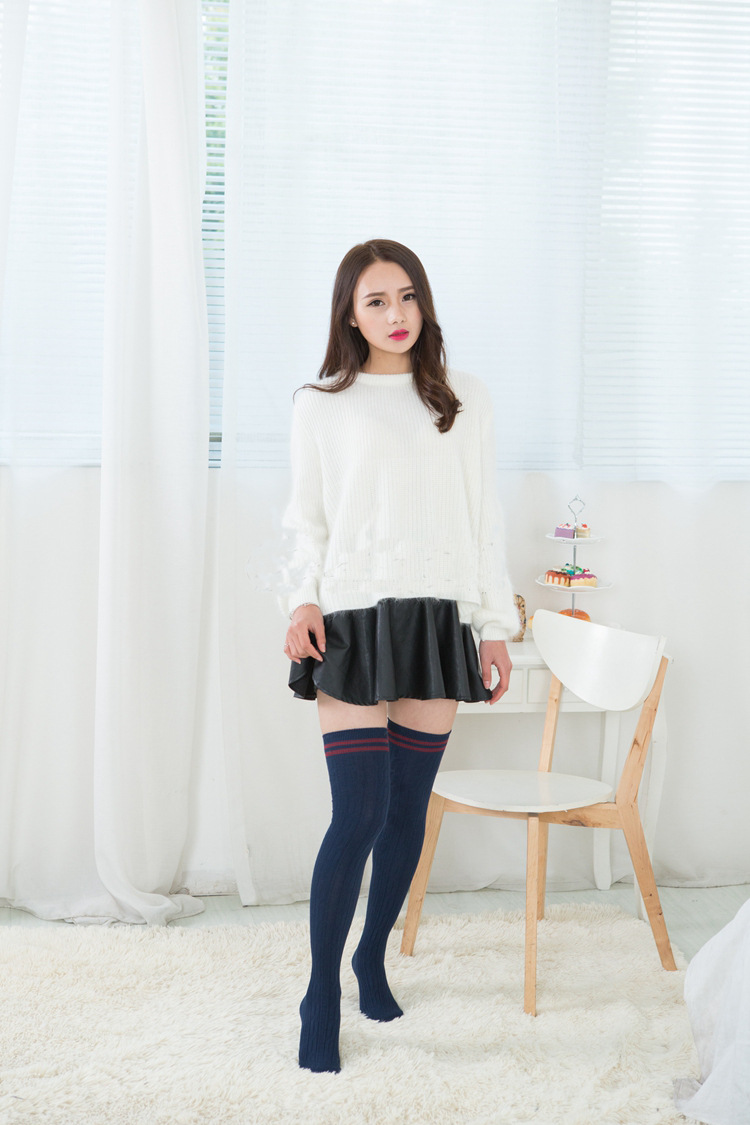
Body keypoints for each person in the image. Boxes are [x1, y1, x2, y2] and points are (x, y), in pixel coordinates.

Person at [278, 238, 519, 1074]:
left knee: (406, 811)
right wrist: (300, 598)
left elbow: (485, 516)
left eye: (407, 295)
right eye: (376, 300)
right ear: (350, 314)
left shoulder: (464, 397)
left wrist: (494, 624)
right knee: (358, 813)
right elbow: (305, 518)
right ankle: (319, 992)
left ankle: (370, 956)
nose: (396, 313)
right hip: (350, 618)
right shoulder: (321, 403)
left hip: (438, 618)